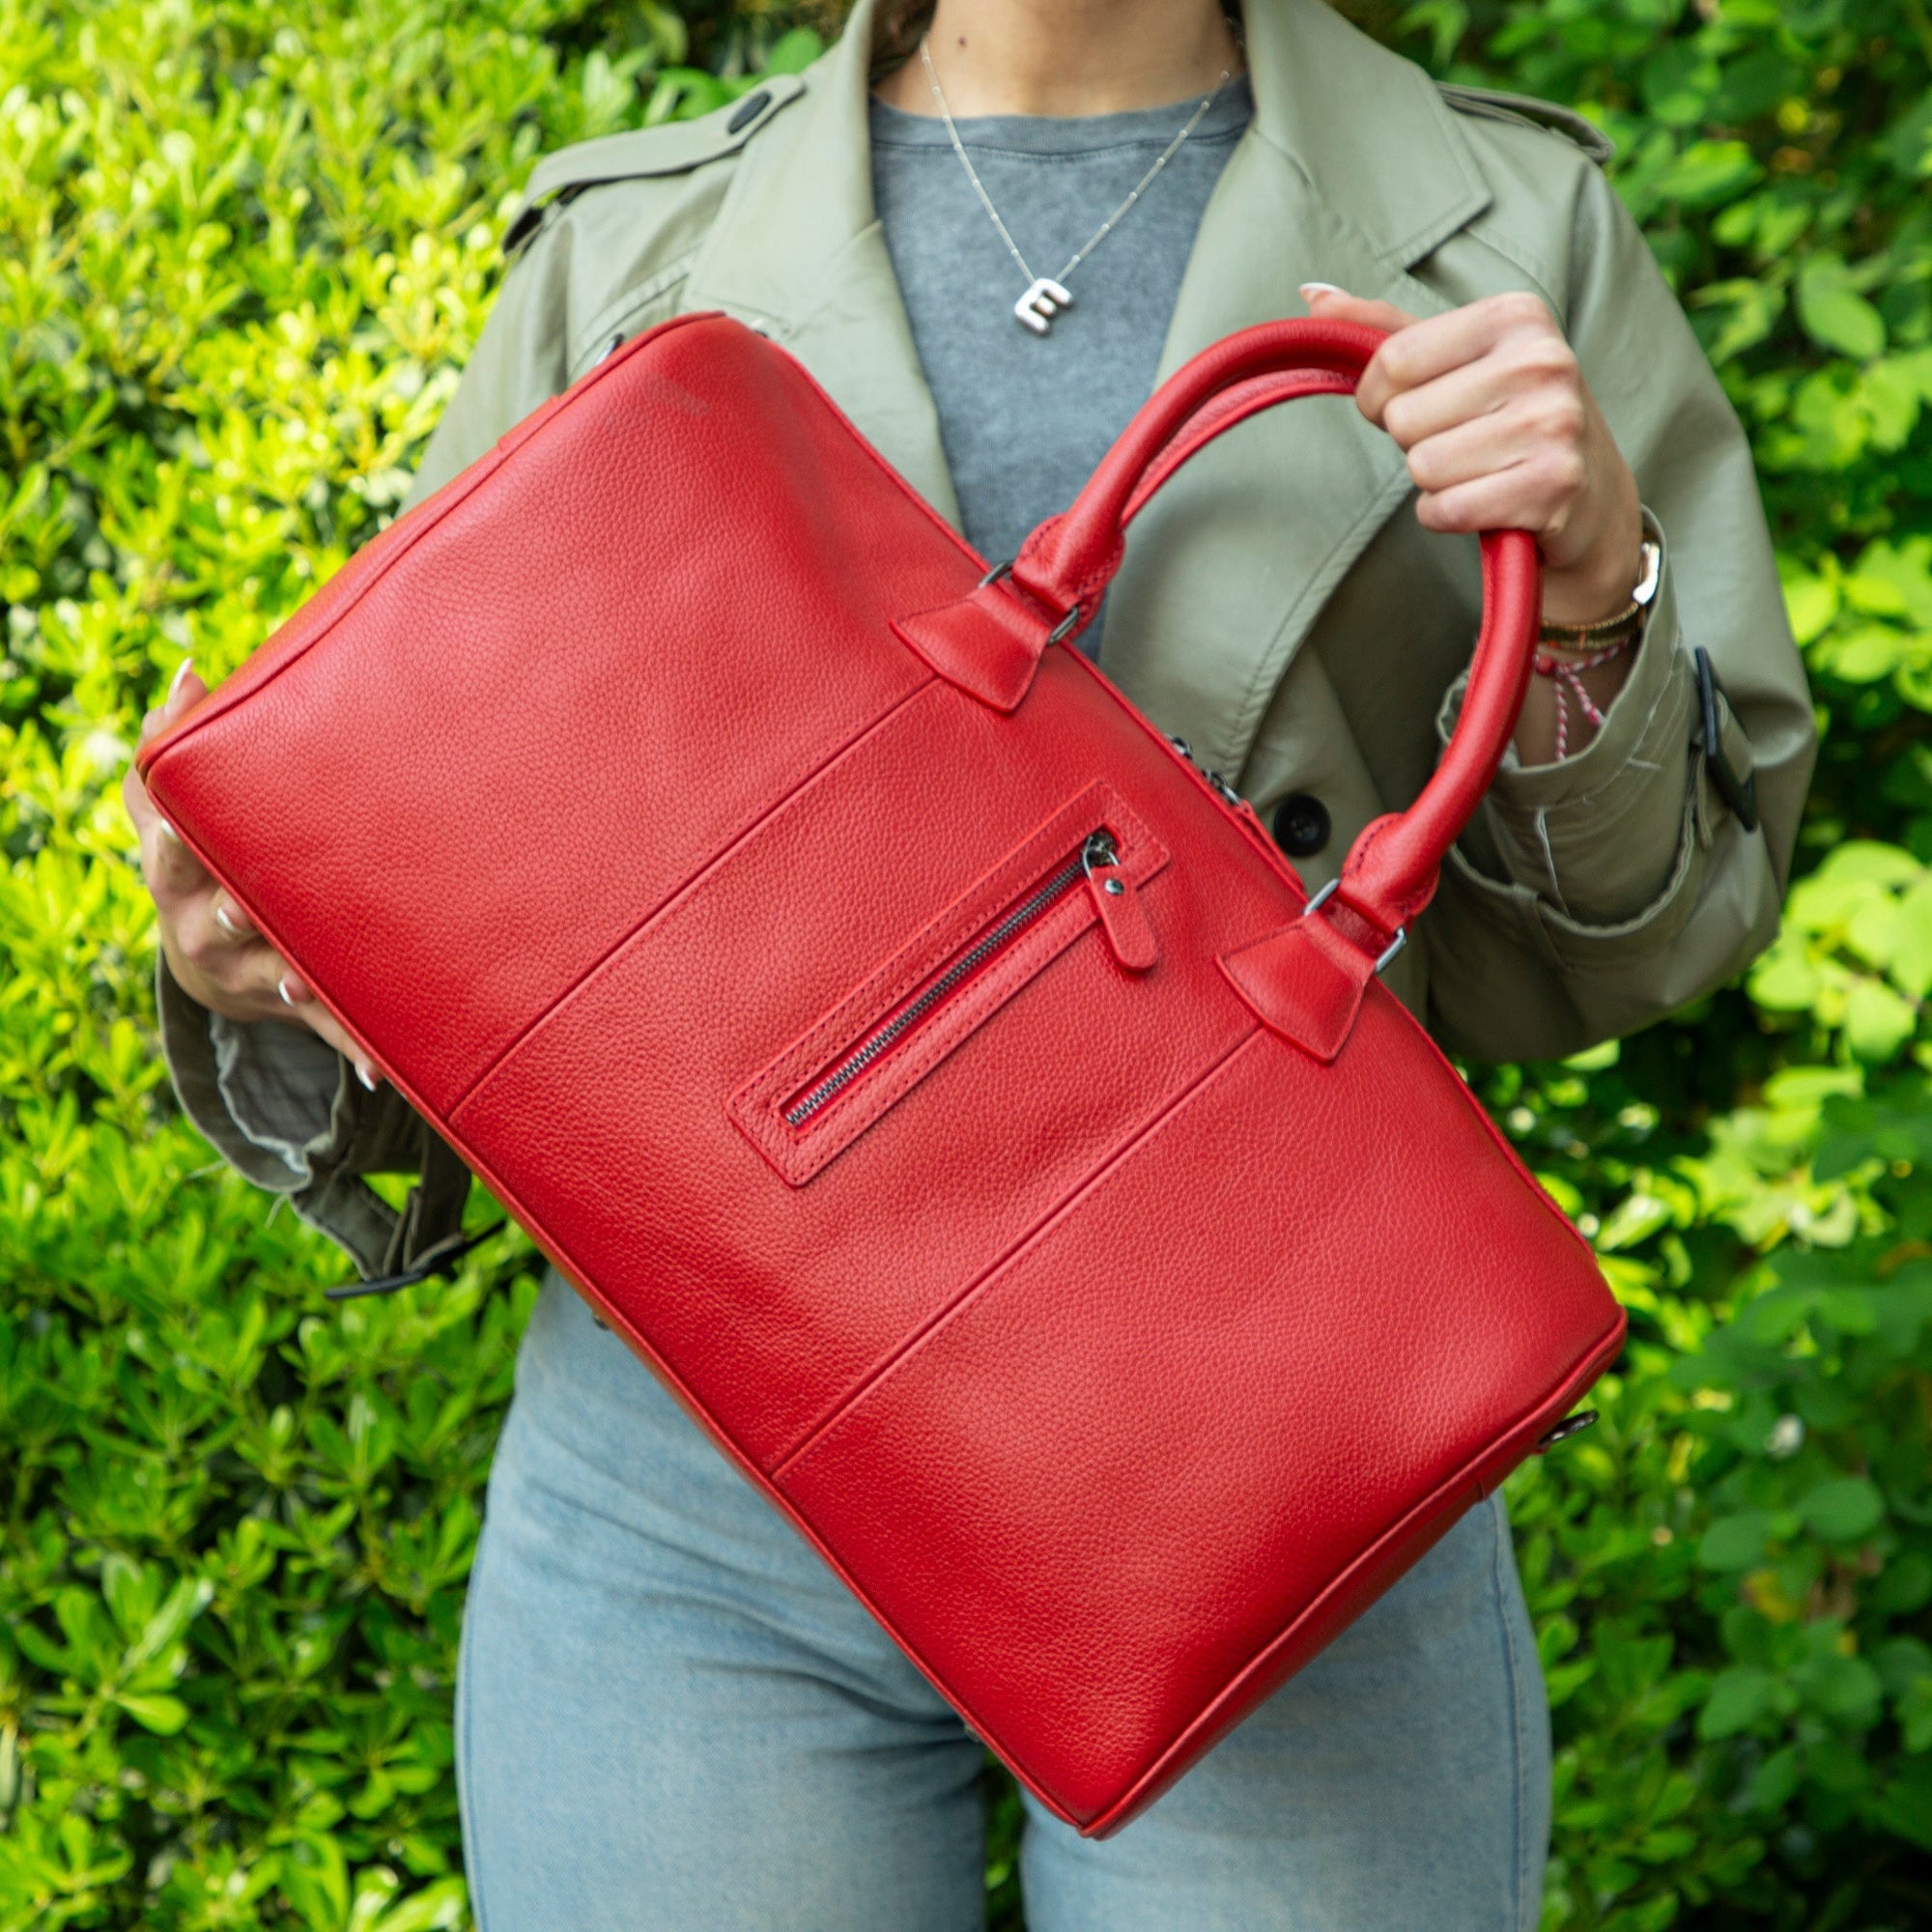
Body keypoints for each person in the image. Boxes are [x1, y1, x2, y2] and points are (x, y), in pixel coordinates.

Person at [125, 0, 1815, 1925]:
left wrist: (1597, 598)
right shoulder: (628, 247)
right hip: (702, 1490)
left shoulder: (1509, 223)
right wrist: (268, 949)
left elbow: (1660, 929)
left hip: (1276, 1449)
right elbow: (473, 911)